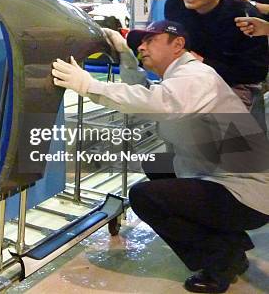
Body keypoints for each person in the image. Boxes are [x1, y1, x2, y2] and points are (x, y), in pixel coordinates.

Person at [52, 21, 269, 293]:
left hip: (247, 194)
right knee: (157, 166)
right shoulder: (181, 76)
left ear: (178, 45)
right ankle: (232, 245)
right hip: (220, 174)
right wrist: (126, 57)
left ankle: (221, 262)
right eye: (139, 43)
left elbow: (156, 102)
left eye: (151, 40)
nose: (142, 46)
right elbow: (147, 91)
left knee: (145, 196)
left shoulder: (196, 77)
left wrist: (89, 86)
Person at [164, 0, 268, 131]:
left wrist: (203, 63)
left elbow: (254, 73)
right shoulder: (175, 6)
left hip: (235, 86)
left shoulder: (243, 15)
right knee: (176, 133)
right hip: (192, 82)